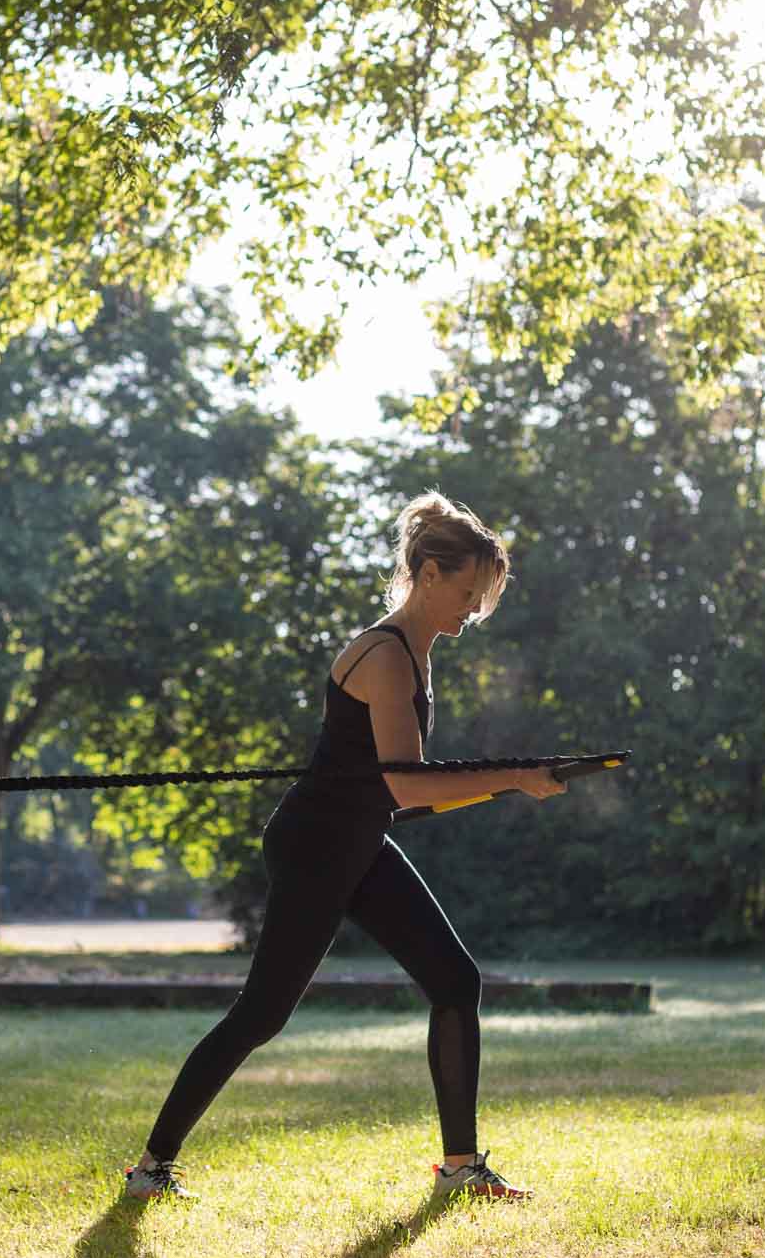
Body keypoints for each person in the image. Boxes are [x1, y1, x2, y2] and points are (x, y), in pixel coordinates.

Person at [124, 491, 565, 1202]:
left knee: (455, 981)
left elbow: (402, 795)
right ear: (426, 573)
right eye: (467, 592)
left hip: (361, 838)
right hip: (315, 845)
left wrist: (512, 781)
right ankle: (150, 1167)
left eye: (483, 597)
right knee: (262, 1013)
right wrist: (513, 777)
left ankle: (460, 1165)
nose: (474, 610)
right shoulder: (384, 656)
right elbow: (408, 787)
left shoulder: (419, 652)